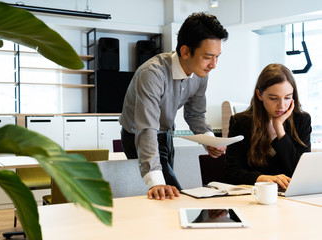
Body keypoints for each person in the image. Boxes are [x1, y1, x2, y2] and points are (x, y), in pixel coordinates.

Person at [119, 12, 228, 200]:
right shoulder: (152, 74)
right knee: (170, 191)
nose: (214, 65)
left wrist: (209, 140)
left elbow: (195, 115)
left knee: (167, 193)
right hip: (138, 134)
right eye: (208, 57)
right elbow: (146, 128)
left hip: (165, 133)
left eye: (217, 57)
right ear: (185, 51)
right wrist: (155, 180)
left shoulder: (200, 73)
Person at [224, 63, 311, 190]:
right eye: (273, 98)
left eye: (287, 98)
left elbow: (301, 173)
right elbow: (231, 173)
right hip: (253, 199)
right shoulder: (240, 122)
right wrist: (263, 179)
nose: (281, 106)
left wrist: (279, 129)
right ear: (259, 95)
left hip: (290, 199)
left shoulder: (302, 121)